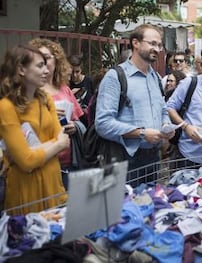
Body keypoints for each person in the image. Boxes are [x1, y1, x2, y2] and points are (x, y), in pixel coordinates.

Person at [95, 24, 174, 185]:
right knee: (125, 208)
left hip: (153, 157)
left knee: (149, 205)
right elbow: (102, 124)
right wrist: (141, 133)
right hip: (125, 158)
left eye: (159, 45)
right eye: (152, 43)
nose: (157, 49)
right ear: (135, 43)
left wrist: (166, 125)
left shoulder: (156, 78)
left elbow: (163, 109)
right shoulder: (115, 76)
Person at [0, 45, 70, 215]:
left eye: (46, 65)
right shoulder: (6, 107)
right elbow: (26, 161)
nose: (47, 70)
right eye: (40, 66)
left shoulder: (45, 100)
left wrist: (30, 152)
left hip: (53, 186)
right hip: (26, 191)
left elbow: (64, 142)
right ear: (21, 69)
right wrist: (56, 145)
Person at [30, 38, 84, 189]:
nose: (43, 63)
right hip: (41, 161)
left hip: (69, 162)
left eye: (46, 58)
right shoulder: (27, 91)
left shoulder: (64, 89)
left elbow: (79, 120)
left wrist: (74, 126)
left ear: (57, 61)